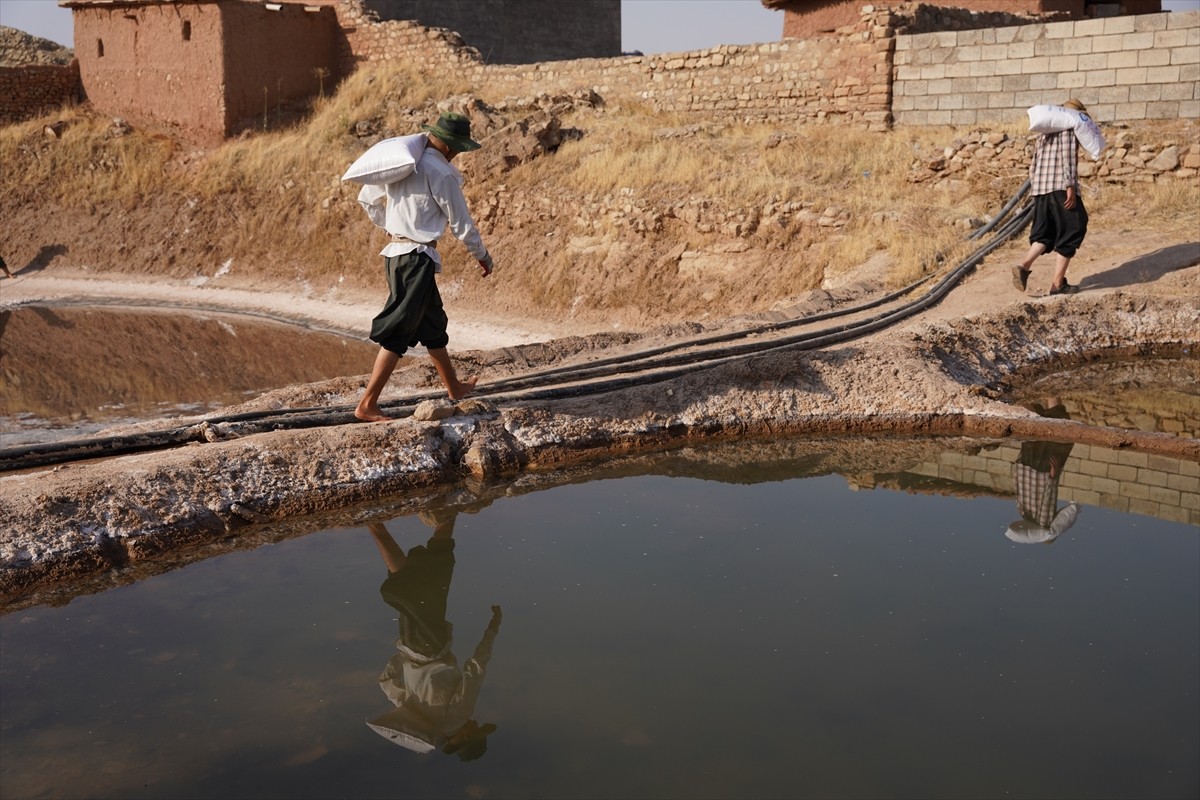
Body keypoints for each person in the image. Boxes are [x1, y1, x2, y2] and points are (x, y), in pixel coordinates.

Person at [353, 111, 496, 422]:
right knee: (398, 329)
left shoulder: (403, 165)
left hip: (397, 255)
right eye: (457, 149)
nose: (457, 155)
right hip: (415, 258)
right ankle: (367, 403)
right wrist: (482, 255)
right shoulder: (440, 173)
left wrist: (391, 228)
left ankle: (454, 387)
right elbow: (461, 223)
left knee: (431, 325)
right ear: (449, 146)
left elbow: (367, 199)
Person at [365, 508, 502, 761]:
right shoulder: (415, 716)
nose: (474, 723)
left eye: (475, 730)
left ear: (462, 737)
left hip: (433, 643)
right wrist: (405, 657)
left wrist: (492, 630)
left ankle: (374, 523)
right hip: (411, 643)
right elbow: (386, 682)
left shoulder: (456, 719)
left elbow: (475, 670)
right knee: (422, 580)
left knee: (427, 575)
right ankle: (442, 511)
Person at [1013, 98, 1089, 297]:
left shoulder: (1044, 133)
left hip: (1041, 189)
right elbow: (1067, 159)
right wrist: (1070, 185)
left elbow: (1033, 165)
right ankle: (1057, 284)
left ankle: (1024, 265)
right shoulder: (1069, 129)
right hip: (1060, 187)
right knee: (1075, 226)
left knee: (1045, 233)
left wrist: (1036, 189)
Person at [1006, 398, 1080, 545]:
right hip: (1025, 468)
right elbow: (1018, 488)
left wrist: (1053, 476)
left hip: (1043, 471)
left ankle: (1047, 391)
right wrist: (1019, 463)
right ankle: (1018, 398)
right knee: (1033, 431)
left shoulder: (1044, 522)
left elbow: (1048, 500)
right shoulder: (1023, 513)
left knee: (1058, 422)